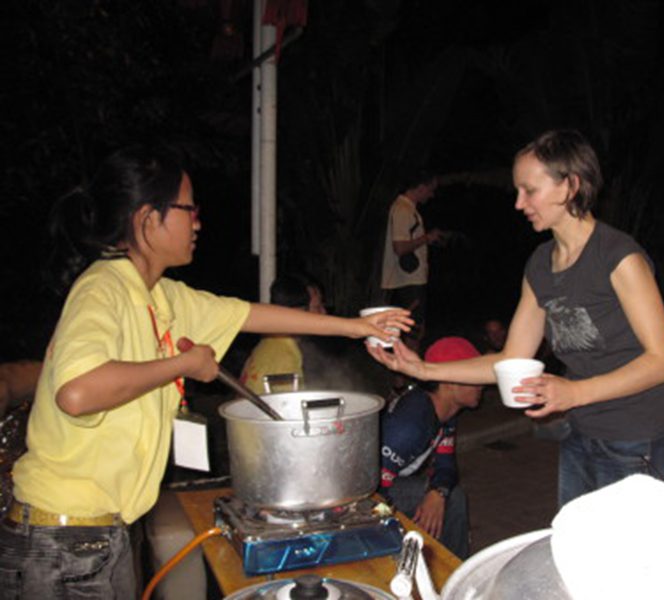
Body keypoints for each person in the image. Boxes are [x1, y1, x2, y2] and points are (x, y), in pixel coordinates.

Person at [0, 144, 412, 599]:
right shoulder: (103, 288)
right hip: (61, 541)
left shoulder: (162, 296)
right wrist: (182, 365)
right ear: (148, 219)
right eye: (189, 209)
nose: (198, 222)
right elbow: (76, 393)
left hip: (100, 534)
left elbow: (252, 314)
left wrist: (355, 326)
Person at [370, 129, 664, 508]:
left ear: (570, 186)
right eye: (518, 190)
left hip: (637, 439)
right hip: (581, 434)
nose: (519, 203)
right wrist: (424, 370)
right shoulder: (540, 264)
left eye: (529, 190)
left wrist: (575, 392)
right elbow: (510, 359)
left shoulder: (618, 256)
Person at [379, 336, 481, 559]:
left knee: (448, 497)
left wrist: (438, 493)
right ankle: (452, 569)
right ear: (449, 382)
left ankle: (452, 567)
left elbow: (446, 467)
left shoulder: (445, 411)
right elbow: (374, 494)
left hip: (388, 484)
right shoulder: (409, 425)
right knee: (452, 501)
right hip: (365, 492)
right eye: (475, 376)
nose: (482, 383)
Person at [380, 172, 443, 348]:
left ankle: (408, 361)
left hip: (410, 279)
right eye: (430, 189)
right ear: (421, 187)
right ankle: (408, 363)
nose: (431, 195)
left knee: (414, 328)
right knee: (414, 330)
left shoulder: (408, 209)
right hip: (408, 279)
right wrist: (427, 238)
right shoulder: (403, 209)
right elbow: (400, 247)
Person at [239, 274, 325, 393]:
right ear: (298, 312)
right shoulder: (285, 357)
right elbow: (288, 404)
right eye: (317, 307)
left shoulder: (269, 342)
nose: (323, 313)